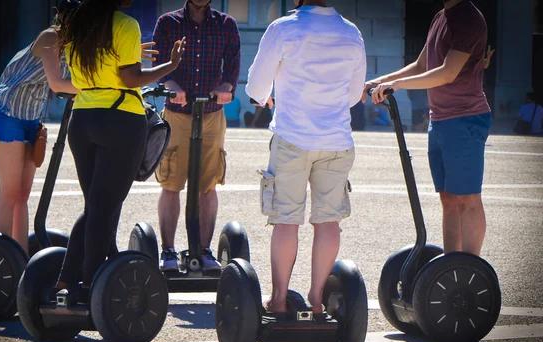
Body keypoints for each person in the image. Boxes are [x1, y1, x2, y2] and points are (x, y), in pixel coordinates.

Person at [53, 0, 185, 303]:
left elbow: (77, 78)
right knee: (103, 209)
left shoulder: (79, 26)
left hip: (82, 118)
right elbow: (130, 78)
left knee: (96, 208)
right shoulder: (125, 25)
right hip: (120, 119)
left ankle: (64, 280)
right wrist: (171, 66)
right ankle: (89, 288)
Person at [246, 0, 366, 315]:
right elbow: (354, 95)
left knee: (286, 221)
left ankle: (279, 299)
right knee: (328, 221)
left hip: (292, 138)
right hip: (337, 140)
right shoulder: (352, 33)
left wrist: (264, 97)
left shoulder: (283, 28)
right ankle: (316, 300)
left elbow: (257, 86)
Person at [367, 0, 491, 256]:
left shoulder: (468, 18)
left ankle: (470, 270)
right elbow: (422, 65)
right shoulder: (441, 17)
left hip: (465, 119)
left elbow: (447, 73)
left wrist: (398, 85)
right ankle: (451, 267)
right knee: (448, 199)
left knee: (467, 199)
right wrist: (380, 81)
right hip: (440, 119)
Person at [0, 0, 80, 253]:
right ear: (65, 16)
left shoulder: (75, 45)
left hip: (30, 117)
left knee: (23, 195)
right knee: (10, 191)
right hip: (7, 112)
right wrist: (102, 86)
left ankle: (20, 259)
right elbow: (57, 83)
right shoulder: (50, 37)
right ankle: (2, 257)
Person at [152, 0, 241, 272]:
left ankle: (203, 250)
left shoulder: (226, 24)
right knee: (171, 181)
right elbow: (158, 62)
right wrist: (170, 84)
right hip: (178, 112)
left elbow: (233, 63)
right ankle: (167, 250)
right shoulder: (168, 22)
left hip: (212, 112)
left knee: (208, 184)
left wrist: (227, 85)